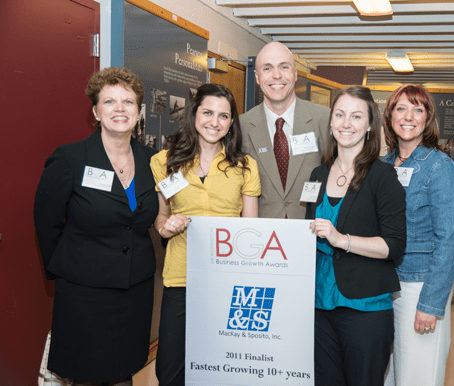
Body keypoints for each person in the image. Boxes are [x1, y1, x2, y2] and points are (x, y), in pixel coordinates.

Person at [34, 67, 159, 386]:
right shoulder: (70, 158)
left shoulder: (153, 160)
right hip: (84, 292)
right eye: (110, 102)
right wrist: (66, 270)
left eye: (128, 102)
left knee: (124, 372)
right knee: (87, 375)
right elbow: (46, 223)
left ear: (139, 110)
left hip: (135, 290)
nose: (120, 109)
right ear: (95, 111)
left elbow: (165, 211)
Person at [150, 84, 261, 386]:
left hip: (227, 280)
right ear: (194, 114)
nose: (215, 122)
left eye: (224, 116)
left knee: (221, 367)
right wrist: (165, 227)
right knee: (171, 369)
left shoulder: (244, 166)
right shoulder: (164, 162)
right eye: (208, 112)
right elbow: (161, 216)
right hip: (181, 277)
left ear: (231, 123)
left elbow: (250, 231)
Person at [306, 86, 407, 386]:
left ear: (369, 126)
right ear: (331, 122)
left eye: (356, 116)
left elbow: (394, 246)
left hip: (364, 309)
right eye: (339, 114)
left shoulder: (383, 176)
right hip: (318, 306)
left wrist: (341, 239)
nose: (346, 123)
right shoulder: (318, 175)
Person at [382, 84, 454, 386]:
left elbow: (450, 242)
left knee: (417, 377)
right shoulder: (382, 165)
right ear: (389, 115)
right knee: (391, 376)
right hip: (384, 287)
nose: (408, 116)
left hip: (419, 287)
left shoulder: (441, 168)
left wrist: (430, 305)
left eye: (418, 109)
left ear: (428, 118)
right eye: (401, 108)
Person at [240, 41, 330, 219]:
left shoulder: (325, 119)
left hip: (313, 233)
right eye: (267, 68)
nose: (277, 75)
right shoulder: (241, 126)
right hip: (261, 235)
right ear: (257, 77)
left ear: (295, 74)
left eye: (284, 67)